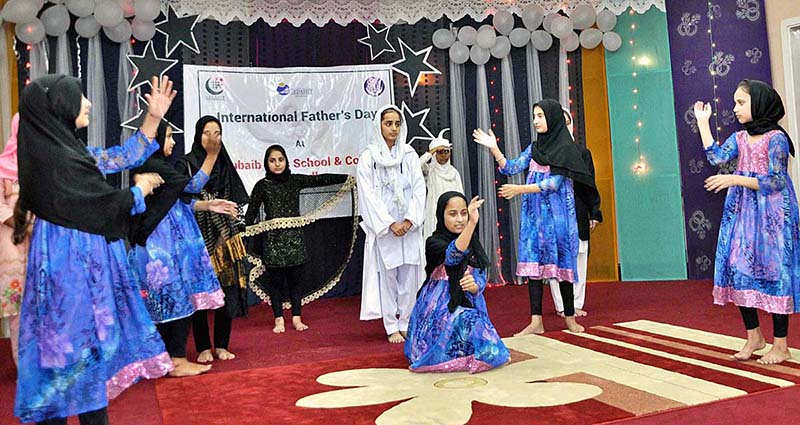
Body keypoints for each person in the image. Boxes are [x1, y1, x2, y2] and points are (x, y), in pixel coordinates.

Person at [13, 75, 175, 425]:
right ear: (60, 107)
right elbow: (100, 205)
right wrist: (140, 191)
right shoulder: (57, 162)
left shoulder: (66, 153)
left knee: (80, 359)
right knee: (73, 354)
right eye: (80, 97)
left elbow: (121, 157)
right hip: (68, 272)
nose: (87, 103)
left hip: (77, 267)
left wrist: (153, 118)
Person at [694, 79, 800, 365]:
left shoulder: (776, 138)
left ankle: (781, 345)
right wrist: (703, 123)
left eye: (741, 102)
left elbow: (776, 181)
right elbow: (717, 157)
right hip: (742, 212)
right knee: (738, 268)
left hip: (773, 215)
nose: (735, 108)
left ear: (760, 103)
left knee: (775, 273)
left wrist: (734, 179)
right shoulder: (740, 137)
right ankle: (754, 337)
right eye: (735, 103)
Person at [473, 98, 597, 336]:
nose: (535, 121)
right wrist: (494, 148)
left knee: (562, 268)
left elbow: (553, 184)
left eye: (540, 116)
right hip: (534, 219)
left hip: (558, 220)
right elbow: (511, 167)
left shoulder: (566, 150)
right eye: (534, 116)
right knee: (534, 270)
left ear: (552, 118)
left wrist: (519, 189)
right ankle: (536, 321)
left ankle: (569, 318)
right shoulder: (534, 148)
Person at [128, 121, 238, 376]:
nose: (173, 142)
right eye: (169, 137)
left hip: (168, 245)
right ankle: (175, 360)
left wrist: (208, 206)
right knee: (173, 299)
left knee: (175, 301)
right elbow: (194, 185)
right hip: (158, 247)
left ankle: (169, 359)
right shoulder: (152, 165)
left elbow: (176, 201)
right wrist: (212, 155)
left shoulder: (158, 165)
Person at [245, 144, 349, 333]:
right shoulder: (262, 186)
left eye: (280, 159)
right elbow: (251, 214)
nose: (277, 164)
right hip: (273, 242)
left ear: (286, 160)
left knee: (296, 281)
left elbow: (319, 180)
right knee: (276, 283)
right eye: (272, 160)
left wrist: (348, 178)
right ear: (266, 163)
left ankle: (296, 318)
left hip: (295, 241)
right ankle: (278, 319)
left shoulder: (295, 181)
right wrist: (243, 231)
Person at [405, 192, 509, 373]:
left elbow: (480, 273)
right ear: (441, 215)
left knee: (476, 326)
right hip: (439, 307)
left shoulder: (472, 241)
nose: (460, 219)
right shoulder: (433, 242)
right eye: (453, 214)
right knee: (468, 322)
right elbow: (453, 255)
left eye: (464, 213)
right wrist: (471, 224)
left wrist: (475, 286)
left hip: (468, 301)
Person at [180, 116, 250, 363]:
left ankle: (221, 345)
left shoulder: (225, 165)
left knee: (227, 291)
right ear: (198, 135)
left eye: (217, 133)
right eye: (206, 132)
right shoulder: (186, 164)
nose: (212, 137)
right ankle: (202, 347)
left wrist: (225, 235)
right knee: (199, 293)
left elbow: (234, 201)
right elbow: (184, 196)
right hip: (196, 236)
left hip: (225, 236)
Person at [358, 105, 426, 344]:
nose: (393, 128)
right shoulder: (369, 158)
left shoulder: (408, 154)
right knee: (387, 279)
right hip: (386, 229)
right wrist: (389, 224)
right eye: (388, 123)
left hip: (409, 227)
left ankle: (406, 322)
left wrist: (409, 220)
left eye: (397, 123)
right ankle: (391, 325)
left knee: (409, 278)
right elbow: (368, 195)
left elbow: (419, 188)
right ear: (379, 126)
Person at [550, 108, 602, 317]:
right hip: (554, 214)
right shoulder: (545, 154)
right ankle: (562, 305)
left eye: (566, 122)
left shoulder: (582, 153)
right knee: (557, 258)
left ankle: (577, 303)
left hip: (578, 212)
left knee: (579, 257)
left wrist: (594, 212)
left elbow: (590, 185)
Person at [0, 113, 29, 366]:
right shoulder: (2, 167)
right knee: (19, 308)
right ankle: (24, 367)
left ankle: (46, 366)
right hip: (14, 244)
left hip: (42, 242)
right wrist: (24, 225)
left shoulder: (43, 164)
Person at [420, 129, 464, 240]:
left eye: (446, 151)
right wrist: (432, 151)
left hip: (454, 215)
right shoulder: (430, 170)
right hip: (434, 214)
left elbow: (461, 196)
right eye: (440, 152)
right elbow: (417, 166)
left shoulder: (454, 172)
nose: (444, 155)